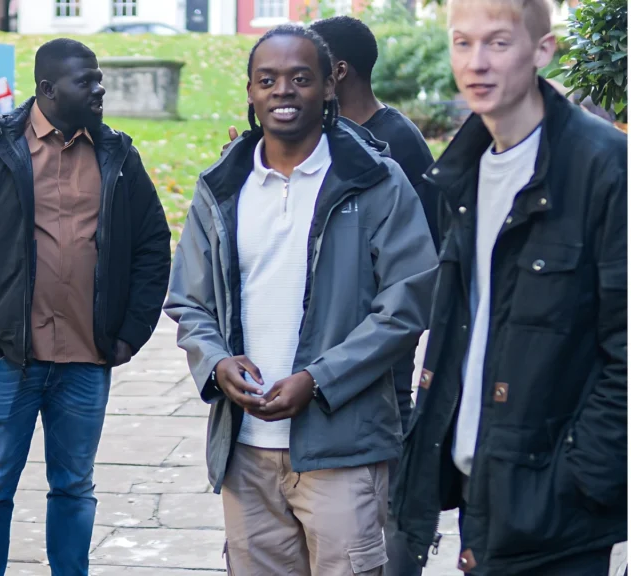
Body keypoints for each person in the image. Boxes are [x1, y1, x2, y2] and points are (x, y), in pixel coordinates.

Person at [164, 24, 438, 576]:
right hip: (244, 448)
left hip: (344, 451)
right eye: (267, 80)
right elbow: (189, 302)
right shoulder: (220, 188)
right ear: (250, 92)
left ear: (329, 87)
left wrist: (318, 379)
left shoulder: (376, 182)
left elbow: (408, 302)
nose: (282, 91)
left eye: (299, 78)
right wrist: (217, 363)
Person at [390, 0, 627, 572]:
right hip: (478, 489)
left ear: (542, 50)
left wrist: (575, 478)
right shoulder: (462, 171)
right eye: (462, 43)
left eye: (498, 42)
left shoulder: (605, 168)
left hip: (557, 508)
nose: (477, 63)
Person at [0, 38, 171, 576]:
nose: (99, 88)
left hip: (87, 359)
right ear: (47, 89)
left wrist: (131, 332)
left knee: (74, 487)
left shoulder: (117, 155)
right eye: (85, 80)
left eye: (98, 78)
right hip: (6, 360)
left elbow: (153, 245)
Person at [308, 15, 438, 576]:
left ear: (337, 72)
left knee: (388, 460)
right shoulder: (322, 136)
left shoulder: (398, 143)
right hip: (328, 340)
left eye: (308, 70)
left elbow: (421, 262)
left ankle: (398, 557)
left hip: (379, 347)